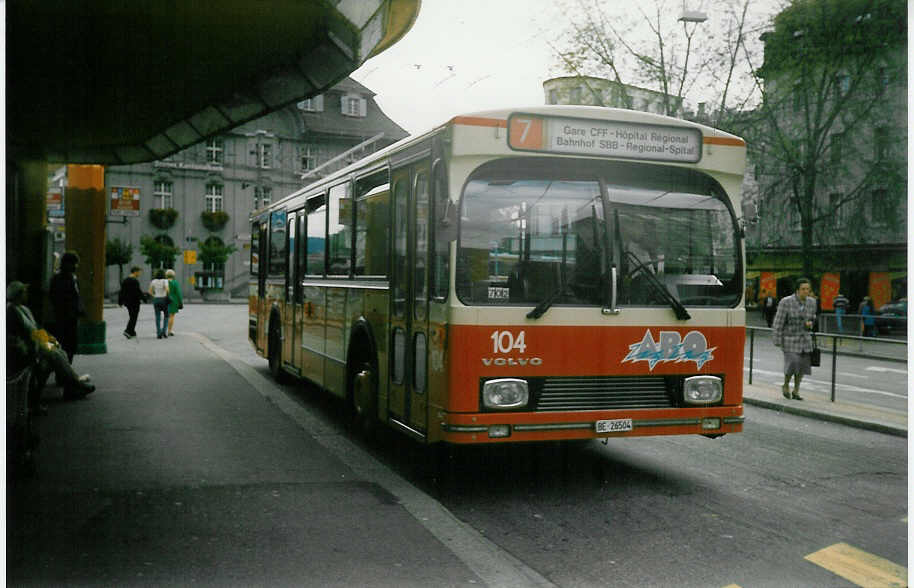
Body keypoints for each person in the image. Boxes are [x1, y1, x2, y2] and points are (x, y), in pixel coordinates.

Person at [7, 281, 96, 401]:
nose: (26, 295)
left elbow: (36, 328)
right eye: (24, 292)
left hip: (38, 342)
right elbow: (25, 333)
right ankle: (76, 383)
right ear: (19, 294)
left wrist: (49, 339)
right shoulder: (11, 311)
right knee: (54, 355)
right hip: (29, 346)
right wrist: (43, 342)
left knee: (60, 351)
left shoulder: (23, 308)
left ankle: (72, 385)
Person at [772, 277, 817, 401]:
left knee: (802, 366)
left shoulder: (812, 302)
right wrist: (777, 339)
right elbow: (778, 322)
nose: (806, 291)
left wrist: (810, 324)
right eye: (803, 289)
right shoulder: (786, 302)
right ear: (797, 290)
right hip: (790, 339)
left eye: (808, 289)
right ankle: (786, 384)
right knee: (793, 362)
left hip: (805, 339)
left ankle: (796, 390)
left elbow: (813, 318)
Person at [49, 250, 84, 363]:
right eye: (73, 263)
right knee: (63, 345)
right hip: (62, 318)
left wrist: (79, 310)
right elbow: (55, 297)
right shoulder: (58, 279)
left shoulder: (73, 278)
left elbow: (77, 296)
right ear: (66, 263)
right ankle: (63, 372)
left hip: (72, 317)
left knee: (71, 345)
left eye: (76, 264)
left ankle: (67, 369)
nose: (75, 266)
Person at [118, 266, 144, 339]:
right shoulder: (135, 281)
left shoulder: (125, 280)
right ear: (135, 272)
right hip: (135, 302)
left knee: (131, 316)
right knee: (134, 317)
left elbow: (122, 291)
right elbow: (138, 291)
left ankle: (132, 332)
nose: (139, 273)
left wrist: (120, 301)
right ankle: (128, 330)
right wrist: (144, 298)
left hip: (127, 302)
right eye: (139, 272)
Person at [148, 269, 170, 339]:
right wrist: (167, 294)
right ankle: (164, 331)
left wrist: (154, 295)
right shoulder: (165, 281)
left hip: (156, 299)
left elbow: (150, 291)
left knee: (157, 317)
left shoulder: (153, 281)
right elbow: (167, 289)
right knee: (166, 316)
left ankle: (158, 333)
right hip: (163, 299)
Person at [165, 268, 183, 337]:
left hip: (165, 299)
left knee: (166, 315)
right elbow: (178, 293)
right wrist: (180, 302)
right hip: (173, 300)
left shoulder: (165, 282)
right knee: (171, 316)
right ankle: (169, 331)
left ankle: (164, 329)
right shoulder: (175, 283)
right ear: (173, 275)